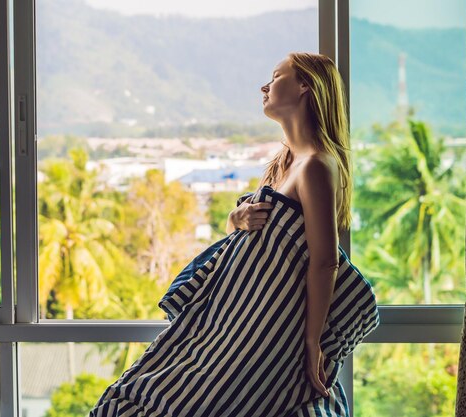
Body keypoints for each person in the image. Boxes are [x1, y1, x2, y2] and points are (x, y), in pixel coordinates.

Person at [88, 52, 379, 417]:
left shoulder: (316, 166)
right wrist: (235, 216)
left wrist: (311, 341)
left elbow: (324, 261)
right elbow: (246, 241)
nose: (265, 86)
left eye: (276, 77)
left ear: (305, 85)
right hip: (229, 321)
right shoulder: (282, 162)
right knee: (152, 386)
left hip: (263, 330)